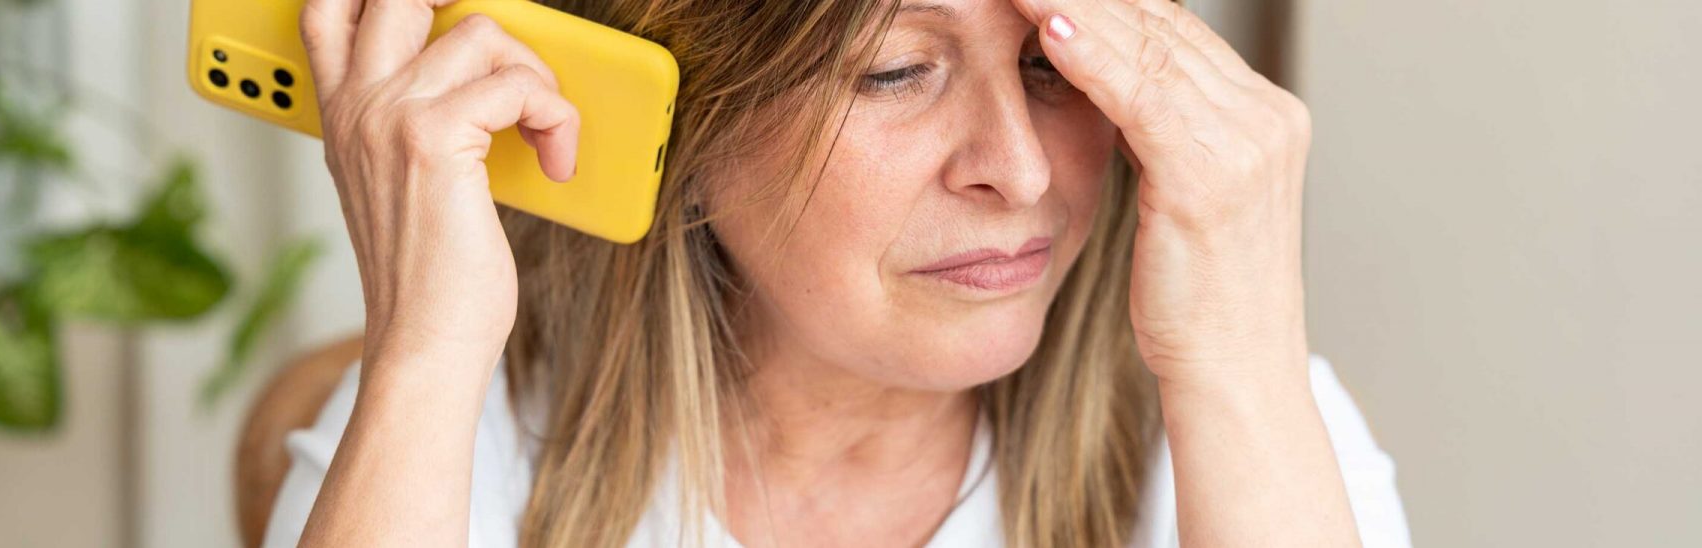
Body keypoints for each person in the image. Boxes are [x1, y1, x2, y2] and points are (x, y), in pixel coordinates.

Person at [265, 0, 1410, 546]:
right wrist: (422, 346)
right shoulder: (466, 439)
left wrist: (1242, 348)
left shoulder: (1242, 432)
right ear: (689, 120)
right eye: (898, 72)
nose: (1018, 170)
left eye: (1047, 69)